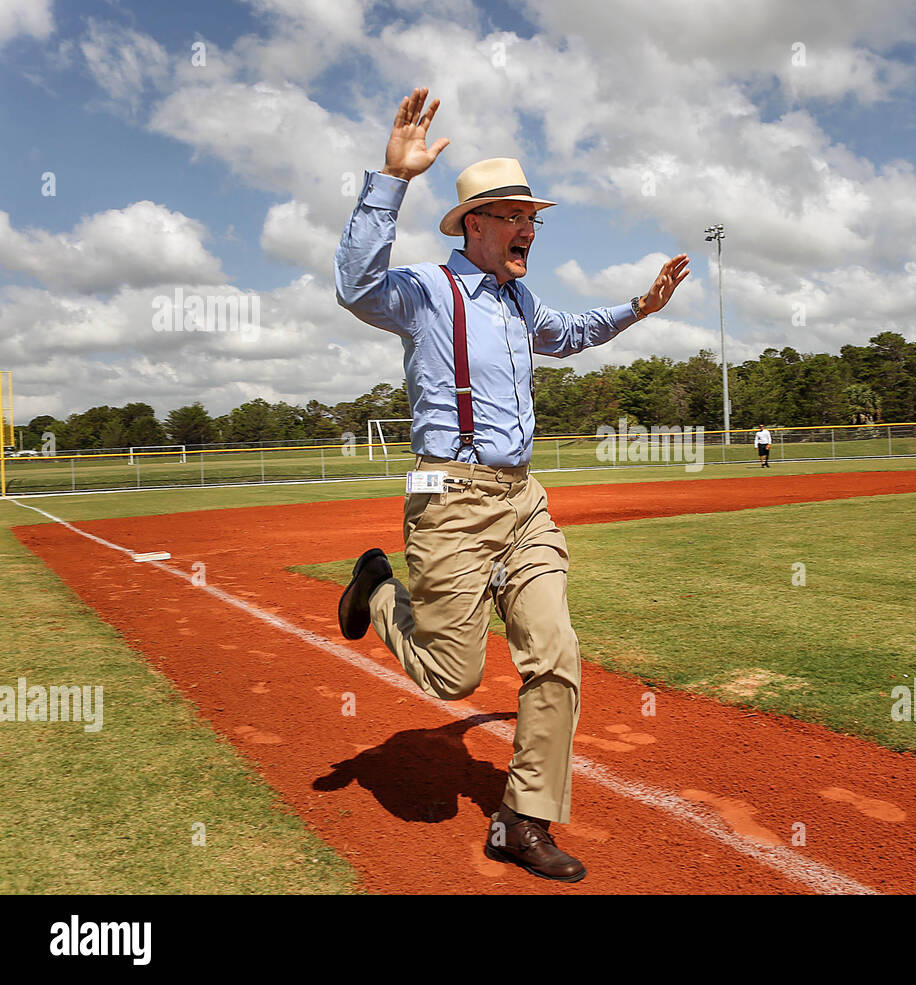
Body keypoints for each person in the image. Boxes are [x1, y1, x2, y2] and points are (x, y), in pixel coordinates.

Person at [332, 88, 690, 883]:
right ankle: (377, 588)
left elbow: (569, 334)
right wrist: (389, 180)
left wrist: (639, 307)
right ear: (476, 224)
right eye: (516, 214)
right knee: (450, 676)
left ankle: (522, 822)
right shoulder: (427, 291)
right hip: (451, 504)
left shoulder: (522, 300)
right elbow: (356, 287)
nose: (531, 227)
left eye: (535, 216)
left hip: (523, 502)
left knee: (555, 655)